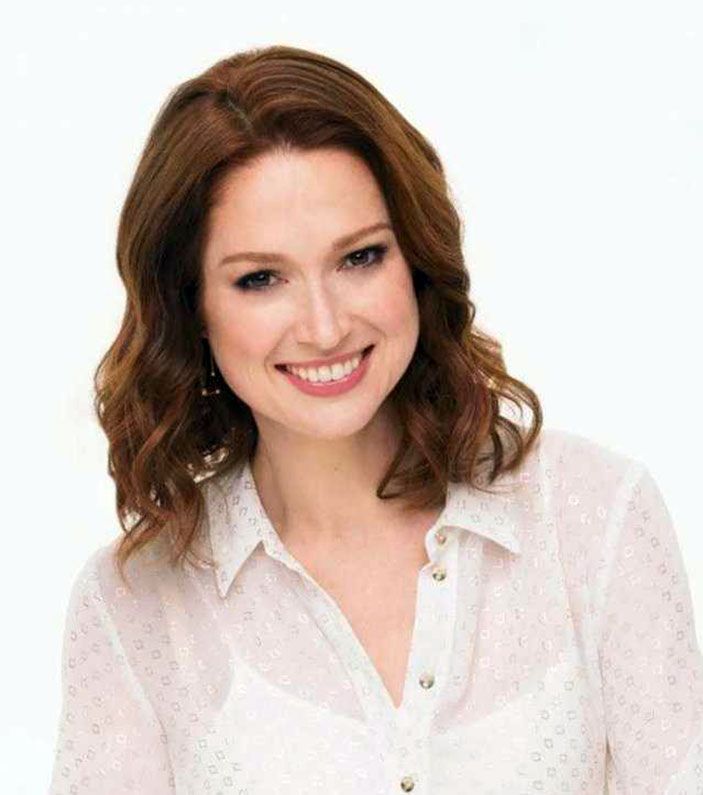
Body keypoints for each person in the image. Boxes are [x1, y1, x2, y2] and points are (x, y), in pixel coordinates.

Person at [48, 44, 703, 794]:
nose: (324, 326)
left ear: (414, 259)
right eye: (260, 278)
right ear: (189, 304)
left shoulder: (590, 518)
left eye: (358, 258)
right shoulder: (133, 607)